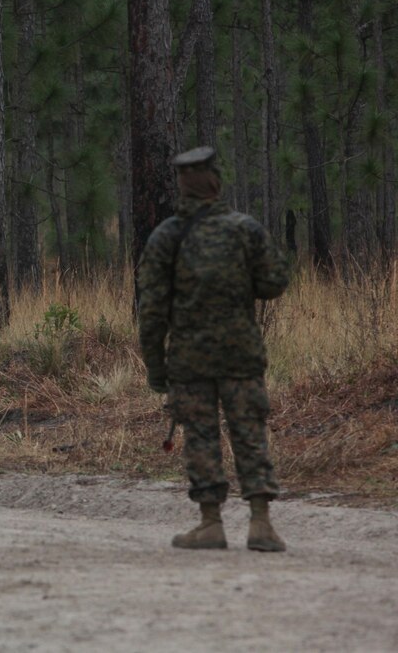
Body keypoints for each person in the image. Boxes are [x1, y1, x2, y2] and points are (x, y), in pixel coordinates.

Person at [137, 146, 289, 552]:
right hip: (241, 354)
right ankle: (261, 523)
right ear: (216, 183)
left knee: (200, 437)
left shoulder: (166, 236)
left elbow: (151, 310)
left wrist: (155, 367)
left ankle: (210, 524)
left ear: (183, 187)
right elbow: (275, 283)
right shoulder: (246, 229)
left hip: (189, 359)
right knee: (250, 432)